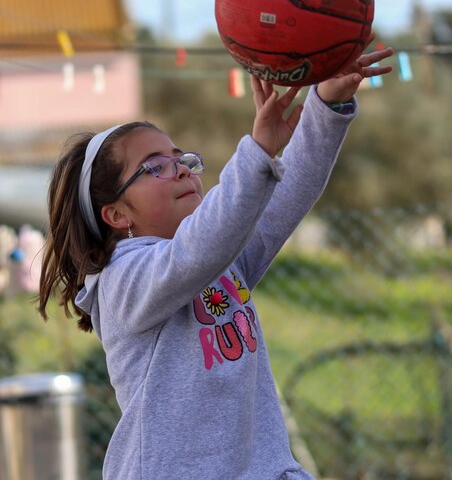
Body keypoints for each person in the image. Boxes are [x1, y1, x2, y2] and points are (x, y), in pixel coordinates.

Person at [38, 44, 393, 480]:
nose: (183, 169)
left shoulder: (221, 260)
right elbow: (196, 249)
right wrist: (258, 149)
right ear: (117, 214)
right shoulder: (123, 283)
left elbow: (286, 195)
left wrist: (326, 104)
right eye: (155, 167)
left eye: (181, 159)